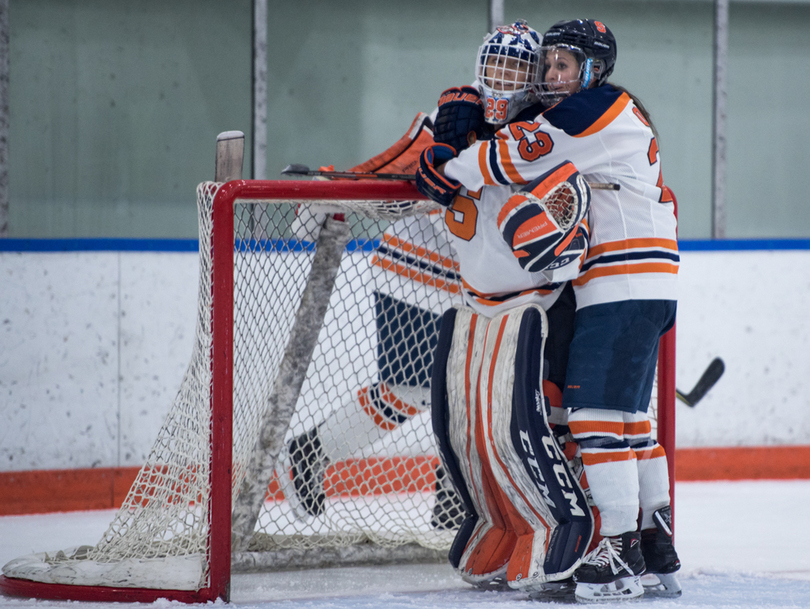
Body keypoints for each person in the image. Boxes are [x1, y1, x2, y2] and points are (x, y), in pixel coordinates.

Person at [417, 18, 681, 602]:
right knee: (630, 421)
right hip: (635, 284)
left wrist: (445, 167)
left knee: (592, 420)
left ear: (593, 71)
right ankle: (652, 537)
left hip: (624, 284)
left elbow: (508, 157)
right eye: (549, 66)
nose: (552, 77)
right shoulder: (602, 113)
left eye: (564, 66)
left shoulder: (591, 110)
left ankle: (613, 551)